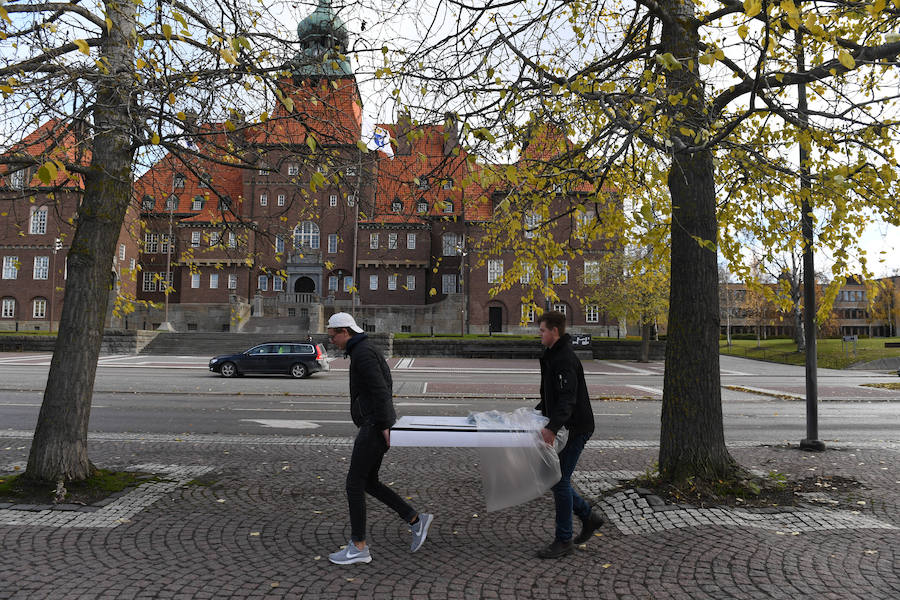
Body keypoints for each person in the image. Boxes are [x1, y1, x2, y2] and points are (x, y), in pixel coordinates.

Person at [325, 312, 433, 565]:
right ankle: (415, 520)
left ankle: (358, 546)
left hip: (374, 425)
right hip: (374, 422)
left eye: (333, 337)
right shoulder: (363, 350)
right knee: (368, 482)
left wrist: (385, 425)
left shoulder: (362, 353)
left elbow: (381, 389)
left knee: (354, 484)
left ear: (344, 332)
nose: (332, 342)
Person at [535, 310, 604, 559]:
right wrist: (539, 413)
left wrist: (551, 428)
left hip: (576, 427)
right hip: (568, 424)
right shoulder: (553, 355)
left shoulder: (563, 358)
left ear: (554, 331)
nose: (539, 334)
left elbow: (568, 398)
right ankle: (589, 517)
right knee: (556, 480)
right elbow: (553, 396)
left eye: (542, 330)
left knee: (559, 480)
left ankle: (564, 540)